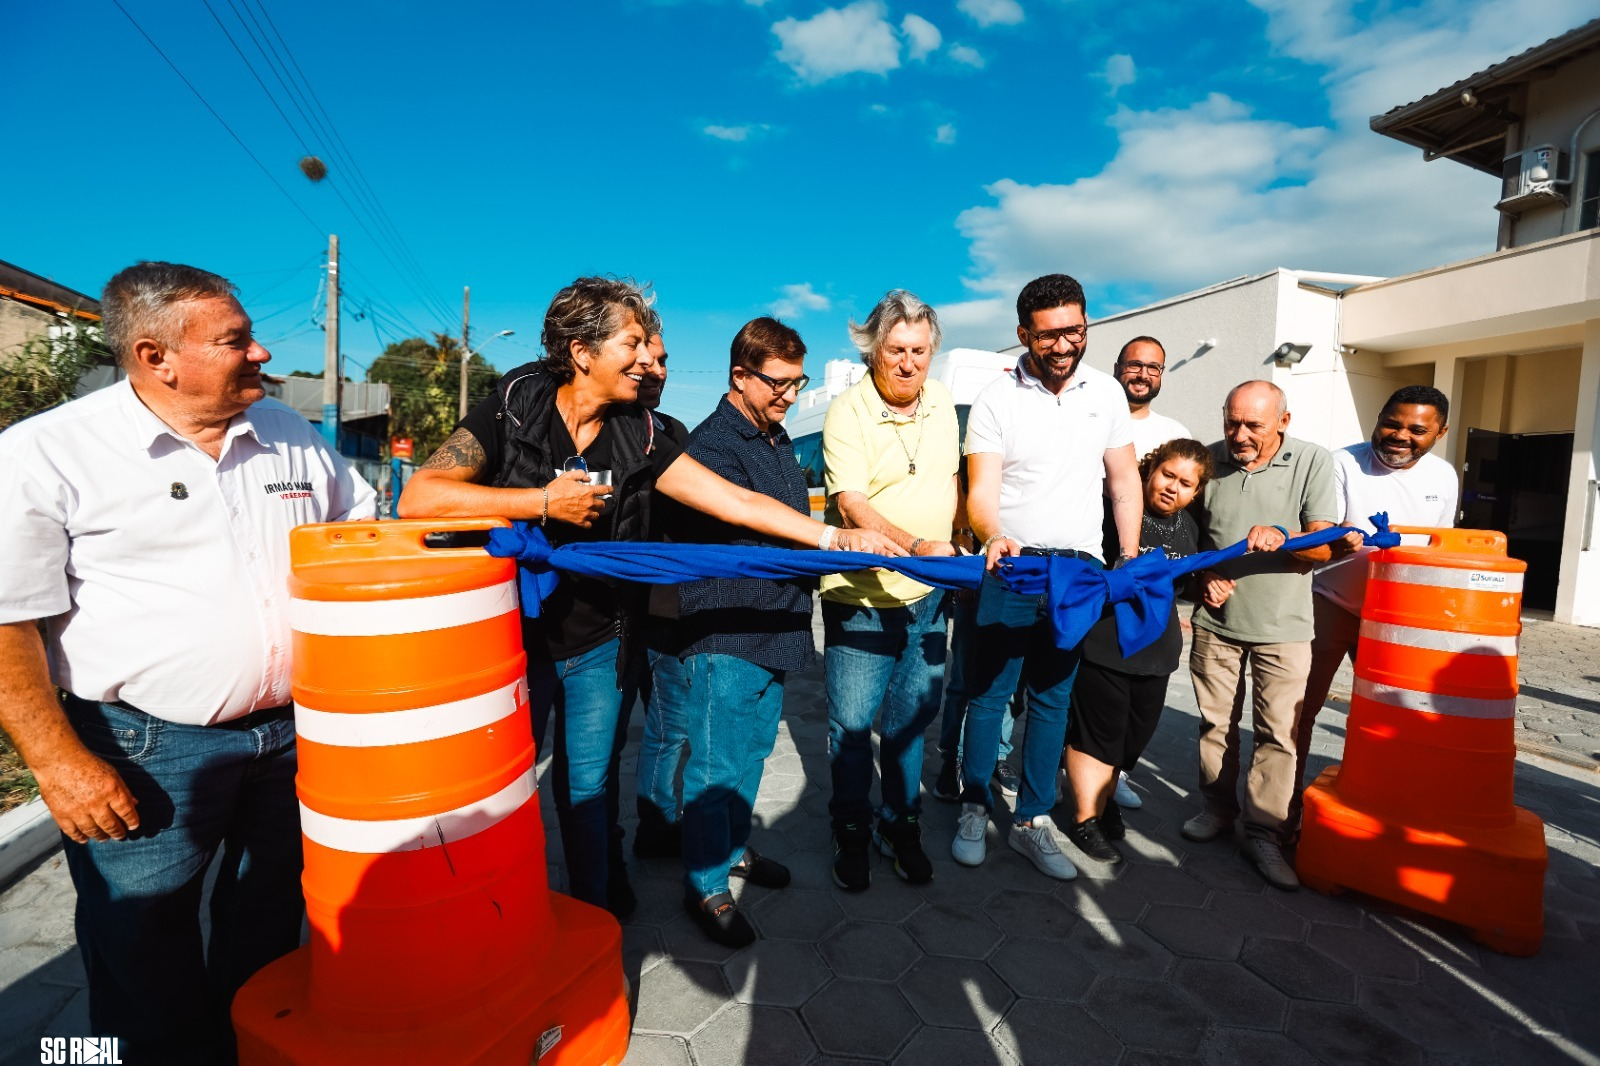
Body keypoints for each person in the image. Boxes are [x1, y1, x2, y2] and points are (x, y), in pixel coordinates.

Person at [398, 277, 899, 919]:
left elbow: (738, 501)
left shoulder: (641, 431)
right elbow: (421, 497)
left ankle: (595, 905)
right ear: (582, 352)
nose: (647, 358)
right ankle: (496, 913)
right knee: (498, 788)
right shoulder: (513, 407)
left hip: (600, 638)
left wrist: (836, 535)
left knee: (588, 784)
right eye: (632, 343)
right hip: (509, 643)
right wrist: (542, 503)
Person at [0, 261, 376, 1063]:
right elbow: (7, 624)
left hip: (289, 737)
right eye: (235, 341)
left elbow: (360, 532)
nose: (263, 354)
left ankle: (250, 1047)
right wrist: (57, 762)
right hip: (143, 748)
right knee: (141, 940)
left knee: (268, 918)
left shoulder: (289, 433)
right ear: (154, 355)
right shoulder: (46, 453)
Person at [953, 273, 1142, 882]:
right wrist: (990, 535)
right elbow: (981, 489)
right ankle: (973, 806)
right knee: (988, 698)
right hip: (1011, 566)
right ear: (1022, 335)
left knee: (1053, 700)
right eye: (1049, 335)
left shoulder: (1107, 393)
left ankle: (1032, 821)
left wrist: (1132, 552)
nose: (1064, 345)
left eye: (1075, 331)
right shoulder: (995, 399)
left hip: (1081, 571)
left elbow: (1123, 479)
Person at [647, 317, 815, 944]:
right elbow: (750, 518)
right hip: (726, 633)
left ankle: (734, 849)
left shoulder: (773, 437)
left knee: (753, 754)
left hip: (774, 626)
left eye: (799, 383)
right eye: (778, 383)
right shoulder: (712, 445)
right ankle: (706, 885)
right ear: (739, 376)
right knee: (715, 764)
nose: (790, 396)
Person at [820, 291, 961, 890]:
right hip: (862, 597)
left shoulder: (944, 402)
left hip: (930, 596)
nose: (909, 363)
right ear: (872, 350)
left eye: (920, 351)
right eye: (897, 351)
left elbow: (953, 481)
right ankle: (849, 831)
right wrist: (916, 544)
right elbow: (850, 502)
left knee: (909, 726)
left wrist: (965, 545)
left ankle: (899, 825)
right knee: (852, 729)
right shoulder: (847, 410)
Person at [1182, 380, 1344, 891]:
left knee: (1280, 734)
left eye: (1254, 424)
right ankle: (1217, 808)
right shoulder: (1209, 460)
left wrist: (1285, 538)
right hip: (1217, 624)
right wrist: (1201, 577)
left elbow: (1328, 545)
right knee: (1214, 725)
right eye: (1232, 422)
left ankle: (1265, 833)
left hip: (1286, 628)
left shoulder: (1313, 461)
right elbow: (1184, 540)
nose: (1240, 434)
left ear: (1283, 422)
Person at [1291, 385, 1456, 836]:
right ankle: (1281, 813)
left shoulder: (1444, 478)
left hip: (1398, 618)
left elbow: (1439, 552)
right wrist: (1343, 541)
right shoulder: (1341, 462)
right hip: (1331, 603)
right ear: (1378, 418)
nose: (1400, 435)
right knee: (1299, 711)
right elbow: (1321, 540)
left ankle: (1380, 811)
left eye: (1417, 429)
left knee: (1395, 719)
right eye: (1392, 423)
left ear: (1440, 433)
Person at [1064, 440, 1232, 863]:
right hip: (1107, 639)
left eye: (1186, 483)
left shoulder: (1190, 524)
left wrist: (1208, 582)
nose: (1174, 488)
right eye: (1168, 475)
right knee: (1098, 733)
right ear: (1149, 470)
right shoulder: (1114, 509)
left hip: (1158, 650)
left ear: (1197, 491)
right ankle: (1086, 818)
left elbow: (1188, 577)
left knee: (1132, 736)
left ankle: (1104, 797)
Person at [1110, 334, 1191, 811]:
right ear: (1118, 366)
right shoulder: (1096, 412)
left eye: (1154, 368)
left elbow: (1188, 499)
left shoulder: (1172, 431)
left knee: (1141, 685)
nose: (1143, 374)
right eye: (1135, 365)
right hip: (1098, 566)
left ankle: (1117, 770)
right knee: (1089, 683)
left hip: (1151, 578)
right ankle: (1075, 767)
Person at [628, 331, 693, 860]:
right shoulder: (606, 434)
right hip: (613, 611)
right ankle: (634, 828)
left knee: (670, 722)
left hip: (667, 606)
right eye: (641, 358)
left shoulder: (673, 432)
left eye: (663, 360)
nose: (654, 370)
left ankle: (656, 821)